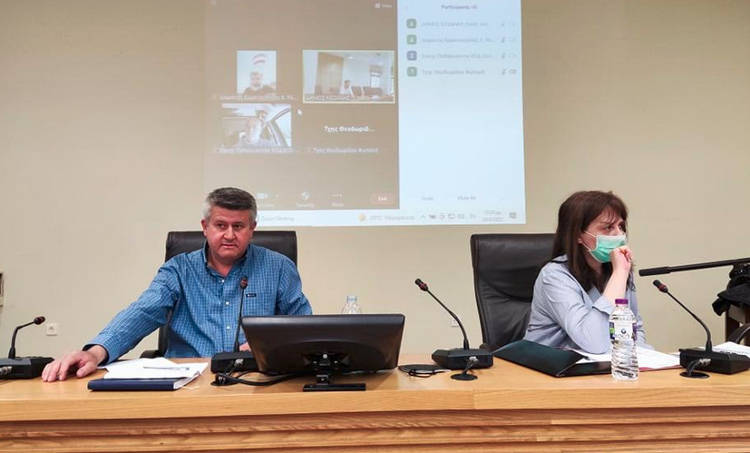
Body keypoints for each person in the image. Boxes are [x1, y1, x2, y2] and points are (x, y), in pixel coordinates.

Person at [42, 187, 312, 381]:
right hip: (189, 382)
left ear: (252, 228)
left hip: (256, 379)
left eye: (238, 226)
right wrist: (95, 352)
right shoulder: (179, 269)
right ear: (205, 226)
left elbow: (303, 327)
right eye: (221, 225)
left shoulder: (278, 267)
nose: (229, 235)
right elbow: (142, 312)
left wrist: (268, 346)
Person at [523, 190, 648, 354]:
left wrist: (646, 359)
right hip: (550, 365)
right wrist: (619, 274)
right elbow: (594, 342)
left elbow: (634, 328)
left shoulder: (618, 270)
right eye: (608, 227)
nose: (619, 234)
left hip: (607, 364)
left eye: (621, 226)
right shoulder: (554, 276)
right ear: (578, 235)